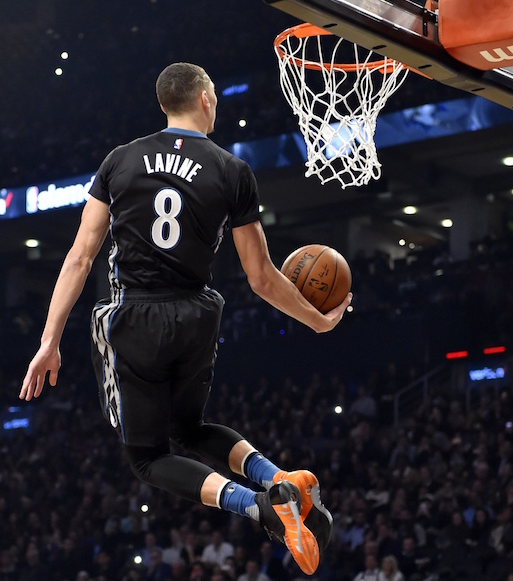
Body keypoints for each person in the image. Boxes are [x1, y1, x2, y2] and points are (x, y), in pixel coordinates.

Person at [20, 62, 351, 576]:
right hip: (197, 312)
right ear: (201, 98)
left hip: (136, 316)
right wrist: (318, 321)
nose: (216, 103)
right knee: (190, 427)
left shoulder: (119, 161)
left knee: (147, 458)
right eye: (214, 95)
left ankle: (263, 507)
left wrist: (50, 341)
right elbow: (261, 276)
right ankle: (276, 476)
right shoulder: (231, 169)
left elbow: (80, 258)